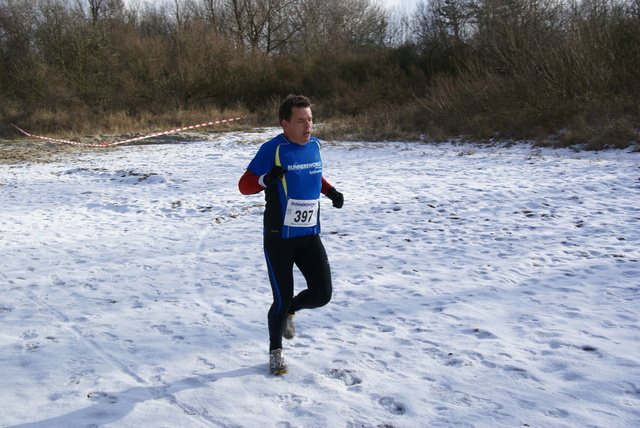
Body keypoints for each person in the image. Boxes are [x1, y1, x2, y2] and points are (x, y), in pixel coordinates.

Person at [238, 95, 344, 375]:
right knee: (281, 296)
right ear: (285, 123)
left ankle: (292, 310)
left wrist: (330, 190)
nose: (308, 125)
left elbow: (311, 174)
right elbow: (244, 185)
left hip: (309, 233)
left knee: (322, 294)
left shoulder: (315, 146)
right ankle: (275, 350)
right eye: (301, 120)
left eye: (310, 119)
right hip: (279, 237)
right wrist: (265, 179)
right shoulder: (272, 149)